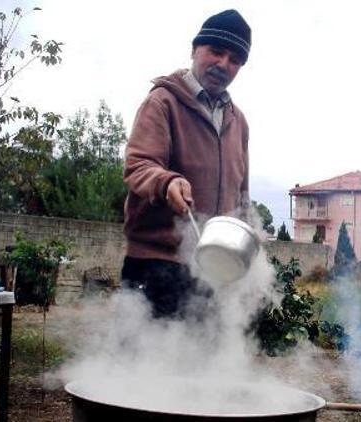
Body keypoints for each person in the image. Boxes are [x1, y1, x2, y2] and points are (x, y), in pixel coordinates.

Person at [121, 9, 252, 318]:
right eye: (216, 52)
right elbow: (139, 165)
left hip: (212, 270)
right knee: (147, 364)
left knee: (201, 364)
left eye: (234, 60)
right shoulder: (163, 101)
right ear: (195, 49)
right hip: (156, 265)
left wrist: (247, 229)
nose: (223, 64)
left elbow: (241, 193)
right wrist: (167, 182)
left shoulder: (238, 121)